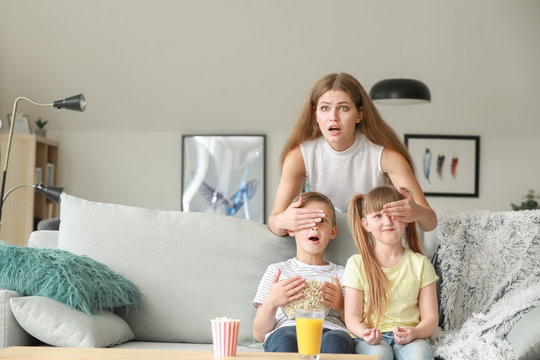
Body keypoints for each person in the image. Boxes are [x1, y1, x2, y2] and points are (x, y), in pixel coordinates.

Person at [268, 72, 437, 237]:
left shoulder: (387, 157)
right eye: (325, 108)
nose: (333, 117)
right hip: (326, 247)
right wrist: (285, 220)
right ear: (315, 115)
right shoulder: (299, 156)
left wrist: (416, 212)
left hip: (374, 247)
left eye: (343, 108)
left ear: (359, 115)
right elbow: (275, 224)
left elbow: (430, 223)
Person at [343, 185, 438, 360]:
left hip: (411, 338)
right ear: (366, 224)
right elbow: (352, 317)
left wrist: (415, 332)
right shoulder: (356, 264)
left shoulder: (420, 264)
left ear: (407, 218)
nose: (387, 221)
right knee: (379, 355)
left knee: (419, 356)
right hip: (370, 339)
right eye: (378, 216)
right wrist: (365, 334)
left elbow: (431, 318)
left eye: (394, 214)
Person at [252, 191, 355, 354]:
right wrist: (272, 302)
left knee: (336, 340)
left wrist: (341, 305)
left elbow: (356, 324)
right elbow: (259, 334)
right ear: (291, 229)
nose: (314, 226)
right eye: (306, 221)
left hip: (331, 331)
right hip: (287, 330)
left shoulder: (343, 273)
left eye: (322, 221)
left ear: (333, 232)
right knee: (287, 338)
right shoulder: (277, 271)